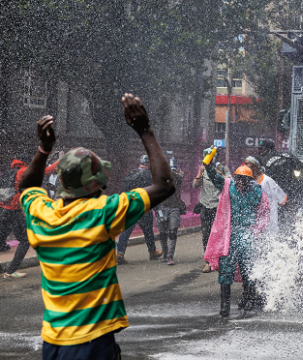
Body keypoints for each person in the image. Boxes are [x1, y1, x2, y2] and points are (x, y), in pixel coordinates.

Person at [18, 94, 174, 359]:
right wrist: (145, 131)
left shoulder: (42, 215)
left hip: (53, 342)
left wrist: (44, 149)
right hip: (91, 343)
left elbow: (27, 187)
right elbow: (165, 185)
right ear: (93, 185)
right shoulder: (102, 213)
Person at [203, 160, 270, 317]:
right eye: (238, 178)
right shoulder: (229, 186)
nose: (240, 182)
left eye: (243, 179)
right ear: (235, 178)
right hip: (231, 236)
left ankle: (249, 301)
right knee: (226, 271)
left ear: (249, 180)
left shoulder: (257, 192)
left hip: (248, 235)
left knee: (249, 271)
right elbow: (214, 176)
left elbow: (264, 213)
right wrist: (207, 163)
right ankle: (225, 307)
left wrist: (257, 231)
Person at [0, 154, 59, 278]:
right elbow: (46, 171)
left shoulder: (9, 173)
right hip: (13, 211)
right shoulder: (23, 171)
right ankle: (10, 272)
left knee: (2, 238)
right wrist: (60, 161)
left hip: (3, 210)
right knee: (26, 240)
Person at [116, 155, 163, 264]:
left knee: (126, 230)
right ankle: (152, 252)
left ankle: (120, 253)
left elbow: (123, 190)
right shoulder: (149, 176)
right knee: (148, 230)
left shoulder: (131, 174)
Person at [193, 148, 231, 273]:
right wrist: (200, 172)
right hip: (205, 205)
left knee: (219, 234)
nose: (208, 159)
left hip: (218, 207)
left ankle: (219, 260)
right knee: (206, 234)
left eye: (210, 156)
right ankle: (208, 262)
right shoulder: (203, 169)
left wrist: (218, 174)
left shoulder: (223, 168)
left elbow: (231, 183)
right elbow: (195, 185)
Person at [245, 156, 287, 235]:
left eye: (248, 165)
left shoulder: (267, 181)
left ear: (256, 167)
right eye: (245, 164)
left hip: (269, 223)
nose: (245, 167)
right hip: (253, 223)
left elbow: (283, 199)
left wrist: (294, 215)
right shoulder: (245, 182)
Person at [155, 158, 184, 265]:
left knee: (172, 232)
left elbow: (179, 178)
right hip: (162, 207)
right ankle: (165, 254)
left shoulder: (178, 176)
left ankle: (169, 256)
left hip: (174, 207)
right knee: (162, 232)